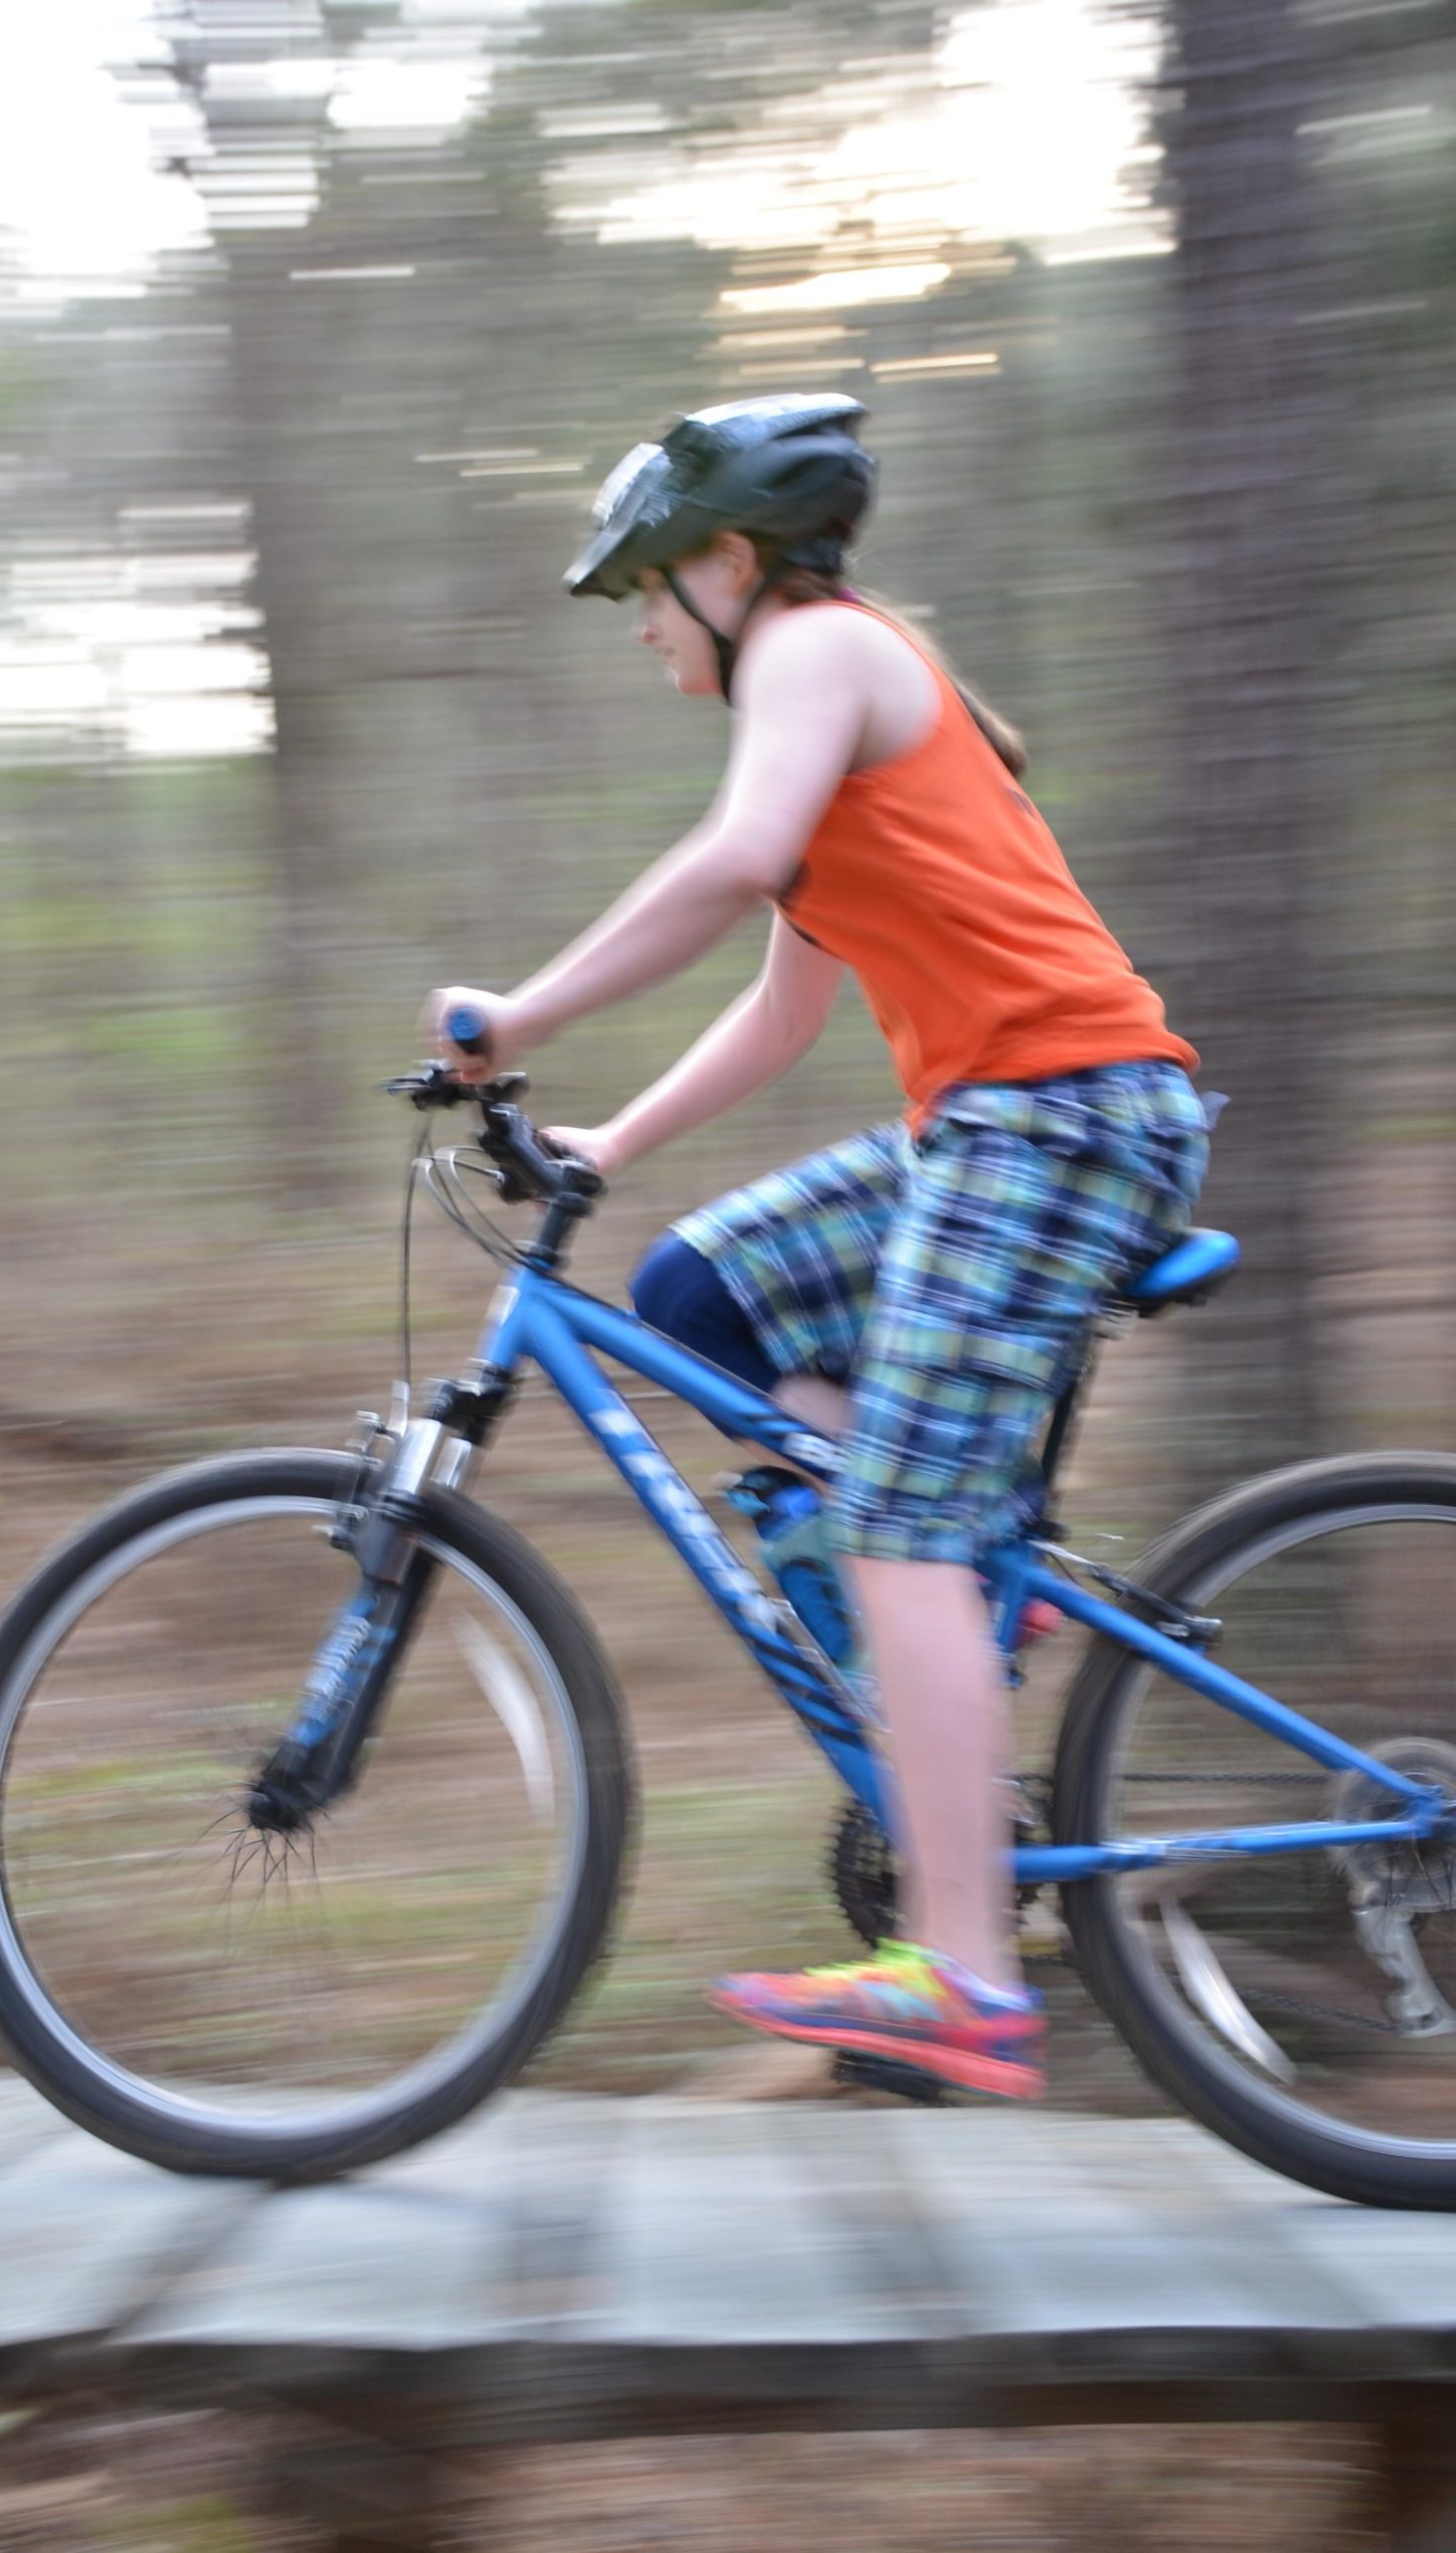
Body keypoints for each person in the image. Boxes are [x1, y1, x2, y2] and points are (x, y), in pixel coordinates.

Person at [426, 392, 1214, 2100]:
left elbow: (732, 862)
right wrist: (611, 1140)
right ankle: (932, 1622)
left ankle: (967, 1977)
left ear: (731, 560)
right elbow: (788, 1002)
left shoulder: (821, 650)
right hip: (990, 1132)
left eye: (645, 586)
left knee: (900, 1524)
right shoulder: (823, 705)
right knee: (695, 1292)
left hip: (1064, 1123)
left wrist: (519, 1011)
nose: (641, 624)